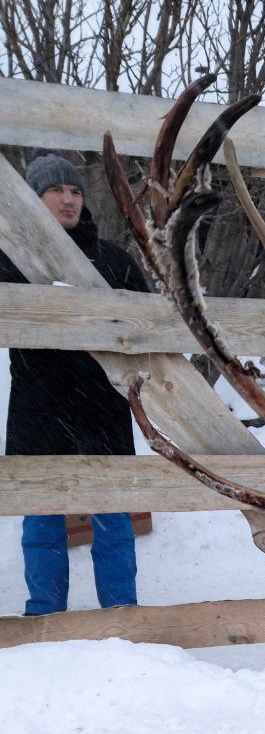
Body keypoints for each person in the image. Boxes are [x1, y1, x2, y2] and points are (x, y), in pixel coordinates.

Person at [1, 153, 150, 615]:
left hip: (101, 409)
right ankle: (43, 617)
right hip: (38, 408)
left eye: (75, 191)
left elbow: (150, 324)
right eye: (56, 191)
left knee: (113, 519)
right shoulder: (10, 258)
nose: (68, 200)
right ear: (33, 198)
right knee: (42, 521)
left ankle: (123, 615)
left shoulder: (112, 258)